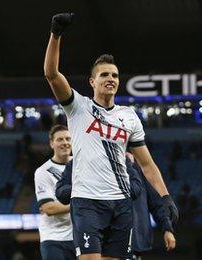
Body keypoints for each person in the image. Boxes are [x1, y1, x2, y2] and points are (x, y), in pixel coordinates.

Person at [44, 13, 177, 260]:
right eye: (105, 75)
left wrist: (165, 196)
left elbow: (146, 164)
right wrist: (56, 34)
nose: (111, 79)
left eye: (115, 75)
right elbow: (51, 74)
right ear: (92, 81)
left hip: (121, 203)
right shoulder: (77, 107)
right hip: (87, 202)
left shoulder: (129, 117)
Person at [56, 153, 177, 259]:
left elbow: (153, 201)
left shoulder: (136, 168)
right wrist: (88, 187)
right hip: (96, 237)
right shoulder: (77, 163)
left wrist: (167, 228)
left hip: (132, 237)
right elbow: (61, 193)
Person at [33, 125, 74, 260]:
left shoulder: (81, 164)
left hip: (79, 236)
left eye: (68, 139)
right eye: (60, 139)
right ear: (52, 144)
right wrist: (80, 204)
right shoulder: (43, 172)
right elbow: (48, 208)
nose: (65, 143)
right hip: (54, 238)